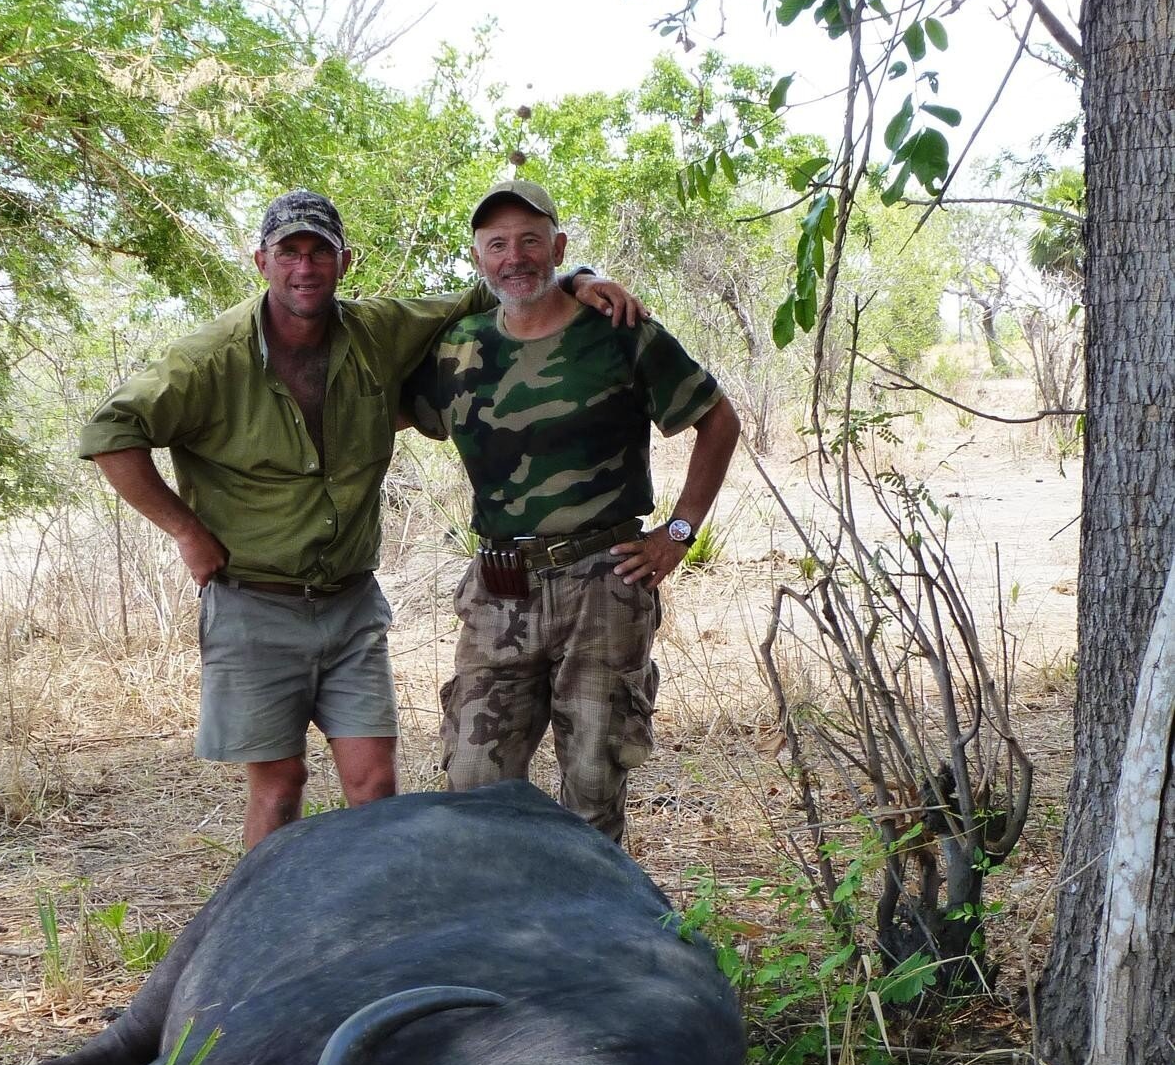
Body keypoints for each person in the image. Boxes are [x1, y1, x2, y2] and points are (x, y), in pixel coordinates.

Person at [78, 190, 644, 847]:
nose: (305, 268)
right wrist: (186, 530)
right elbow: (111, 431)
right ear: (261, 260)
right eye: (289, 252)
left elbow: (493, 291)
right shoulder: (210, 358)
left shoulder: (376, 331)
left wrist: (581, 278)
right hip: (253, 603)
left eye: (320, 252)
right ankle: (270, 931)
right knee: (280, 783)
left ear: (345, 261)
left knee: (375, 785)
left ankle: (372, 926)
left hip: (350, 605)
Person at [402, 179, 741, 845]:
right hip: (501, 587)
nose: (515, 256)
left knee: (593, 780)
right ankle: (500, 932)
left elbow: (718, 419)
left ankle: (591, 935)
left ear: (558, 245)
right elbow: (389, 412)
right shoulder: (458, 348)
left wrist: (678, 534)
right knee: (475, 783)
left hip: (604, 582)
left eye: (531, 239)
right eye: (497, 244)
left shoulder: (619, 331)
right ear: (479, 261)